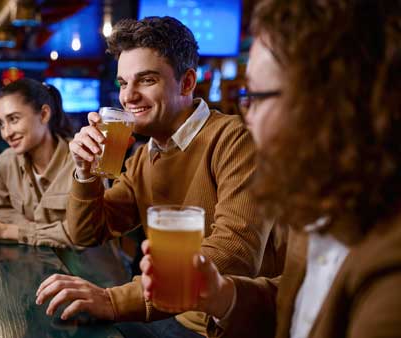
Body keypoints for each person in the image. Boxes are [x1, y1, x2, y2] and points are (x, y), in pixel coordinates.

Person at [139, 1, 401, 337]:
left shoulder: (390, 276)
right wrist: (223, 296)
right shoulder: (323, 210)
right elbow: (304, 303)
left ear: (330, 104)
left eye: (257, 97)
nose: (248, 116)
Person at [35, 16, 283, 337]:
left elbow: (234, 255)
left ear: (187, 82)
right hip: (172, 318)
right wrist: (85, 174)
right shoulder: (145, 155)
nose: (128, 97)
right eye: (124, 83)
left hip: (220, 329)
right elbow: (86, 232)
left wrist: (114, 300)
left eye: (147, 80)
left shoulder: (235, 139)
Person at [0, 78, 78, 248]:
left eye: (14, 119)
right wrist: (47, 232)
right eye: (1, 124)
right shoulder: (5, 162)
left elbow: (81, 234)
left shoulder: (81, 162)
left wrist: (8, 231)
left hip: (86, 269)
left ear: (44, 115)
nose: (6, 133)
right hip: (33, 265)